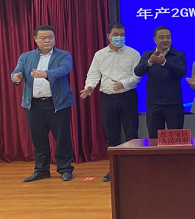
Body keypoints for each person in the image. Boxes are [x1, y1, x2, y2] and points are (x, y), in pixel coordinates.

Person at [11, 25, 75, 182]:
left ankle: (65, 169)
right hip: (33, 105)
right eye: (43, 38)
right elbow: (16, 71)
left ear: (54, 38)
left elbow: (64, 69)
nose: (47, 40)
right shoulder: (26, 56)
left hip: (57, 104)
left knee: (62, 137)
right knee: (38, 138)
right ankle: (41, 170)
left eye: (50, 37)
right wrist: (16, 77)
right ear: (35, 39)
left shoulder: (63, 55)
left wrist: (46, 73)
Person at [80, 22, 141, 182]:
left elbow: (137, 76)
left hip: (127, 97)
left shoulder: (133, 53)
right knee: (112, 137)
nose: (119, 37)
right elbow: (93, 74)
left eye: (122, 35)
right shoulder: (100, 54)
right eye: (116, 35)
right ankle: (114, 169)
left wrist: (124, 83)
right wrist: (89, 87)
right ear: (108, 36)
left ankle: (133, 169)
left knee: (131, 135)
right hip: (107, 98)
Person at [134, 26, 186, 139]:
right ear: (154, 39)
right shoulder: (148, 55)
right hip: (154, 105)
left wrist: (164, 63)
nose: (165, 40)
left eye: (168, 37)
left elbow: (181, 71)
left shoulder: (178, 55)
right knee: (154, 139)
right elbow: (137, 72)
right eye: (161, 37)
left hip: (174, 105)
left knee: (176, 140)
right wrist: (149, 62)